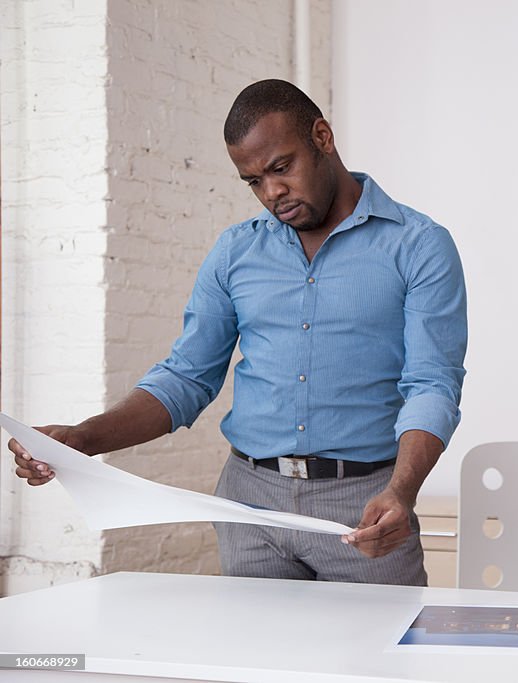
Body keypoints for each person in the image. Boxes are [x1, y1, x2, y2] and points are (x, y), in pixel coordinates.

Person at [8, 79, 468, 585]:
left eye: (281, 167)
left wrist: (402, 491)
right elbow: (186, 378)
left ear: (322, 136)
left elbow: (431, 384)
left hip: (364, 504)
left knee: (378, 661)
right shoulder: (235, 252)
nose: (272, 193)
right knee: (254, 661)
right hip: (249, 504)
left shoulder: (419, 246)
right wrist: (81, 438)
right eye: (253, 180)